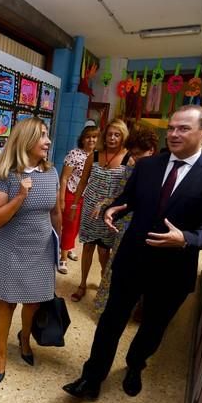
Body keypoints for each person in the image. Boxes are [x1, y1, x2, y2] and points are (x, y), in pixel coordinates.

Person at [62, 105, 202, 400]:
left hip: (174, 269)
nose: (174, 134)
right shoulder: (147, 166)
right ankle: (91, 378)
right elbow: (127, 201)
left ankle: (134, 365)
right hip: (132, 260)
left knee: (153, 327)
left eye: (183, 128)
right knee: (110, 321)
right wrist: (111, 210)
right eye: (171, 128)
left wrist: (186, 238)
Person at [0, 117, 61, 385]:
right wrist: (21, 197)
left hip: (42, 247)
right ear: (26, 140)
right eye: (42, 136)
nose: (48, 141)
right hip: (11, 249)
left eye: (47, 135)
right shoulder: (6, 175)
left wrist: (59, 248)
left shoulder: (52, 173)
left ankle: (25, 338)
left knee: (34, 301)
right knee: (7, 302)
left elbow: (56, 211)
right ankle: (1, 353)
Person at [92, 127, 159, 316]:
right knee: (116, 266)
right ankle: (106, 308)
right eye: (133, 155)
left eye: (138, 155)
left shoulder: (163, 172)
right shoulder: (132, 168)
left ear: (151, 150)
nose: (134, 158)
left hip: (149, 229)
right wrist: (106, 204)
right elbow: (120, 195)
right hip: (125, 224)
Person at [70, 119, 131, 302]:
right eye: (110, 134)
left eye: (117, 134)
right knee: (87, 247)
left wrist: (109, 204)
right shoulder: (95, 155)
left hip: (109, 213)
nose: (112, 138)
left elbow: (128, 192)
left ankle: (104, 286)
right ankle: (82, 284)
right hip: (89, 208)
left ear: (122, 137)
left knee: (104, 252)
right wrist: (74, 204)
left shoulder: (129, 159)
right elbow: (82, 182)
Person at [57, 125, 99, 274]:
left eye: (94, 137)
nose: (91, 140)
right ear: (82, 139)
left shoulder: (99, 156)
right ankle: (63, 258)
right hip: (72, 194)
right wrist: (61, 199)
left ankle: (67, 248)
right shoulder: (74, 154)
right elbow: (64, 178)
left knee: (78, 226)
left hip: (88, 197)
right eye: (88, 137)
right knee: (70, 225)